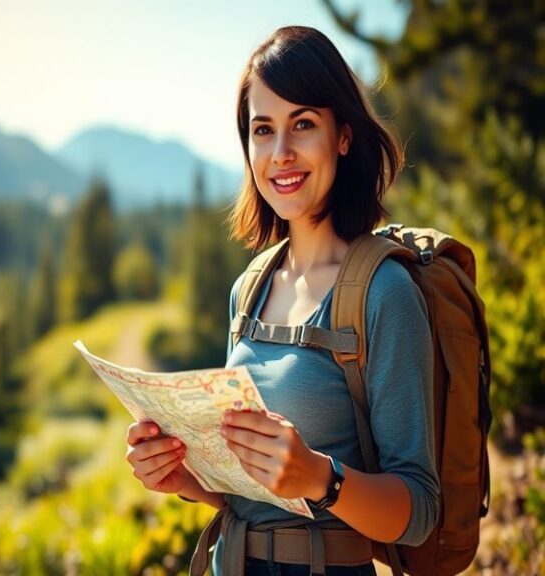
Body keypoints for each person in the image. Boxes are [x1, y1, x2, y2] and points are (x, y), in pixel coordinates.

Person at [125, 26, 439, 576]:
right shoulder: (249, 289)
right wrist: (187, 480)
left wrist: (321, 478)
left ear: (343, 134)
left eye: (303, 125)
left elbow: (418, 512)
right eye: (262, 129)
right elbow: (250, 499)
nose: (281, 153)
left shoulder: (384, 294)